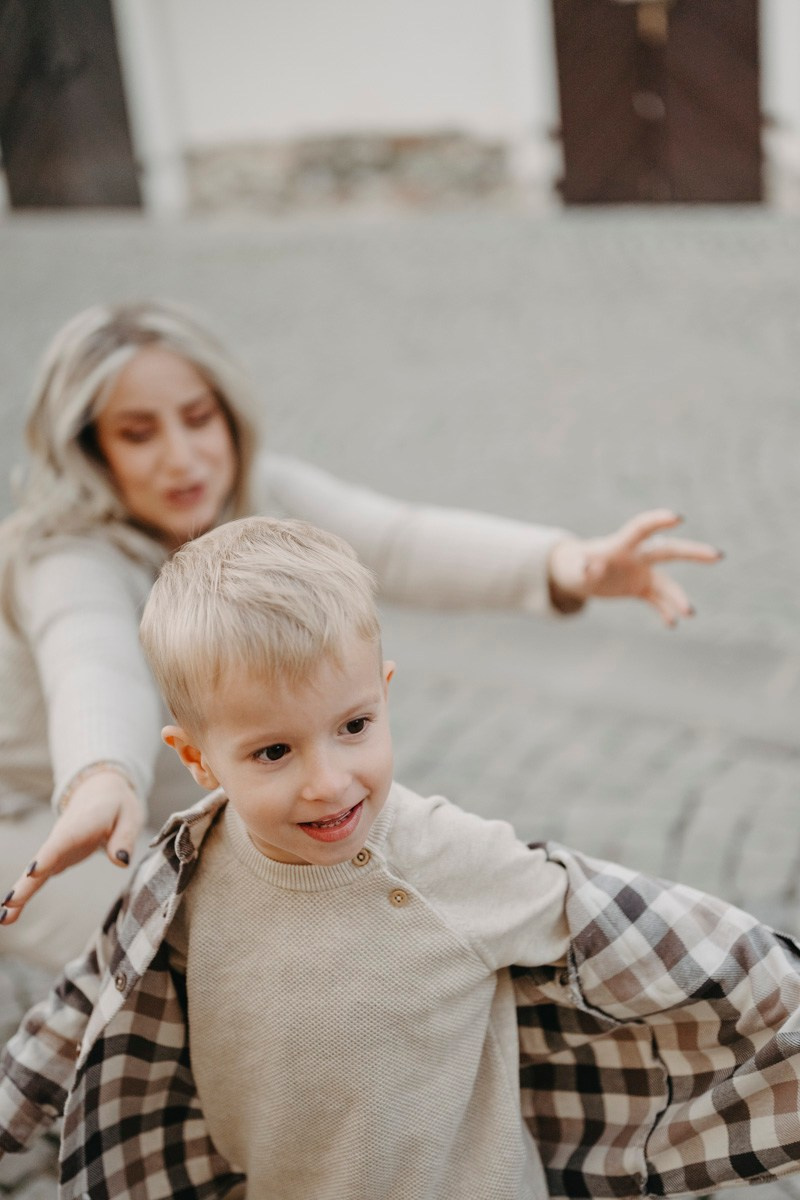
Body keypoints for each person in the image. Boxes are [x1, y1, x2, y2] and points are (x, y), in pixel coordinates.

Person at [0, 517, 797, 1200]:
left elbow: (664, 937)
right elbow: (86, 1004)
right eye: (274, 750)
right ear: (198, 759)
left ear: (383, 692)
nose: (329, 780)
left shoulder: (449, 859)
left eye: (354, 725)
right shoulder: (183, 876)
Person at [0, 301, 721, 969]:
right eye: (138, 433)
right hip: (45, 822)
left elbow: (401, 541)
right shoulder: (65, 557)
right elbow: (90, 664)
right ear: (89, 449)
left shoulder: (260, 498)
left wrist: (568, 563)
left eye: (198, 417)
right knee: (201, 971)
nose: (183, 456)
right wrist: (101, 776)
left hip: (190, 805)